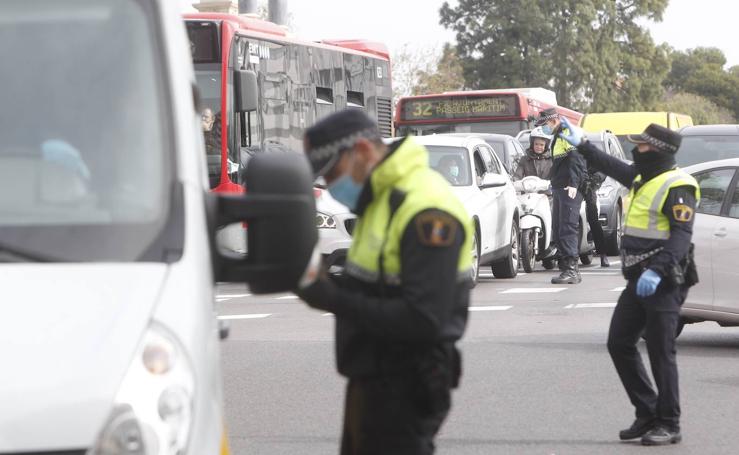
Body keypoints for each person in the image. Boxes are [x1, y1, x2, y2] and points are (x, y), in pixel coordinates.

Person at [297, 109, 474, 455]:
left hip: (408, 382)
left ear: (363, 151)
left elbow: (424, 320)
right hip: (373, 375)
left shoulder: (426, 209)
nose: (331, 186)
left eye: (333, 173)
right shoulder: (378, 199)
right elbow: (374, 282)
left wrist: (331, 297)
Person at [558, 119, 699, 446]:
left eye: (643, 145)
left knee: (661, 352)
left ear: (658, 151)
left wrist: (658, 270)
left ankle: (669, 422)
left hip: (663, 279)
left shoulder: (678, 185)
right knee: (619, 342)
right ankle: (647, 411)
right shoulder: (643, 176)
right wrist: (581, 143)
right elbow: (609, 163)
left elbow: (681, 238)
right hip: (638, 277)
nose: (637, 149)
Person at [535, 108, 586, 284]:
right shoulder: (557, 136)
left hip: (568, 189)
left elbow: (576, 160)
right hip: (559, 188)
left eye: (545, 125)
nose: (543, 129)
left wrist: (573, 183)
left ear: (554, 121)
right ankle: (568, 269)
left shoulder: (566, 134)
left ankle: (571, 270)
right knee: (558, 229)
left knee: (567, 228)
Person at [582, 161, 611, 267]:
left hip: (589, 189)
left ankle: (603, 254)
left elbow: (602, 168)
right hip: (571, 188)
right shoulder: (568, 154)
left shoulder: (588, 154)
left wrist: (596, 178)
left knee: (593, 218)